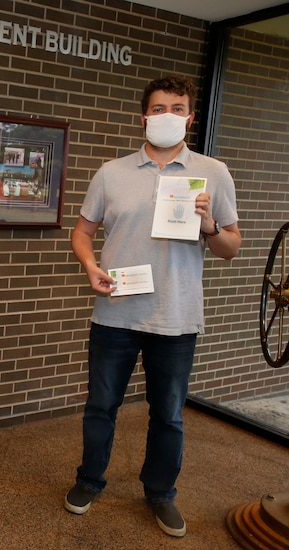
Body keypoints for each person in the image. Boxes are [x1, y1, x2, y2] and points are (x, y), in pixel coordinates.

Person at [63, 75, 241, 538]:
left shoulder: (213, 172)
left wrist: (208, 224)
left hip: (176, 317)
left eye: (177, 108)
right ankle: (89, 480)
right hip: (116, 313)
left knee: (169, 414)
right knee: (101, 406)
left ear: (190, 117)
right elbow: (82, 232)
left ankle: (161, 493)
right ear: (144, 117)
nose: (168, 116)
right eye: (159, 109)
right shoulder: (111, 173)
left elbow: (231, 247)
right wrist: (89, 265)